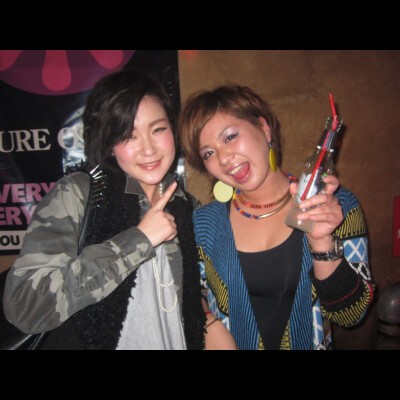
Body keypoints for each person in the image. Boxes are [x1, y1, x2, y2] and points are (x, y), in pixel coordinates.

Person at [3, 70, 205, 350]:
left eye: (158, 129)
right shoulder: (79, 194)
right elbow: (26, 306)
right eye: (128, 135)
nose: (148, 149)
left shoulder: (187, 206)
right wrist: (139, 240)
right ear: (110, 144)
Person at [178, 85, 374, 350]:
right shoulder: (203, 224)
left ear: (264, 128)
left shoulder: (335, 207)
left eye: (230, 137)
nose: (223, 159)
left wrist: (322, 244)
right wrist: (209, 323)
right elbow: (187, 294)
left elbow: (351, 316)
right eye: (208, 153)